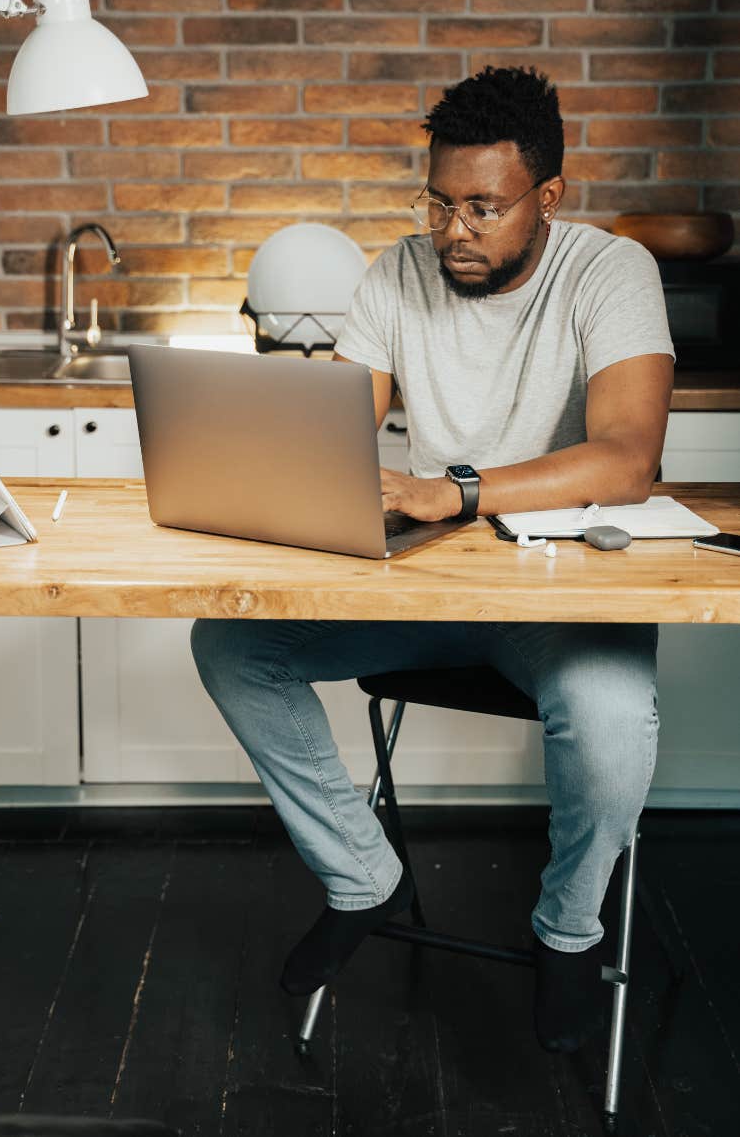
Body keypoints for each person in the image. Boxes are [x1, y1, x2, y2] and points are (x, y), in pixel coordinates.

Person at [191, 65, 675, 1053]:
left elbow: (627, 457)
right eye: (440, 202)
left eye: (484, 208)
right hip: (424, 587)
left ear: (547, 196)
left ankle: (569, 929)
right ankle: (362, 875)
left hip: (562, 600)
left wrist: (449, 489)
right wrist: (255, 456)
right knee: (232, 643)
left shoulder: (609, 271)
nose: (454, 230)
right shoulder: (396, 273)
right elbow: (334, 430)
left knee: (613, 717)